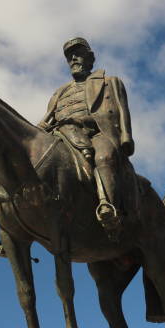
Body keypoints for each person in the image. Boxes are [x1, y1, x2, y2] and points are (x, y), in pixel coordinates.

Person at [38, 37, 134, 239]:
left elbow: (122, 110)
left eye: (78, 53)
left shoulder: (109, 82)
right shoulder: (59, 92)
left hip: (95, 132)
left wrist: (126, 136)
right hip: (62, 133)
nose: (73, 59)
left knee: (104, 158)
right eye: (69, 56)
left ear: (90, 58)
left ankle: (109, 209)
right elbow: (47, 119)